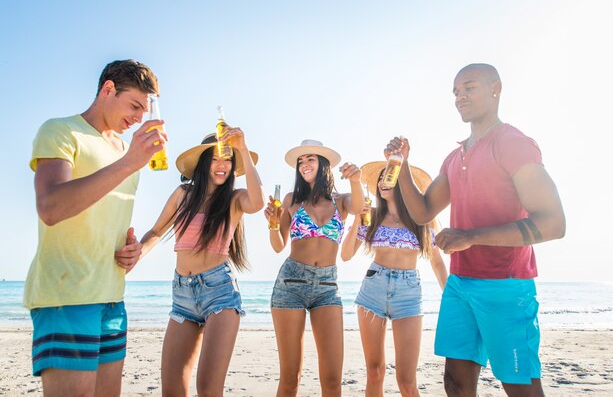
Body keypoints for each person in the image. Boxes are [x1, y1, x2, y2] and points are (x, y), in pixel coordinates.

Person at [386, 63, 566, 397]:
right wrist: (403, 165)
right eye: (456, 91)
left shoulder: (513, 143)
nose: (460, 97)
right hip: (460, 284)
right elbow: (423, 210)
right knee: (455, 382)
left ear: (495, 88)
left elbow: (553, 223)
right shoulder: (455, 157)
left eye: (469, 87)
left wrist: (470, 237)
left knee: (520, 386)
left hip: (506, 286)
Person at [23, 59, 163, 396]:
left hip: (112, 297)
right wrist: (129, 162)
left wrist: (132, 250)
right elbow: (51, 207)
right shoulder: (60, 130)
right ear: (108, 89)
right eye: (133, 106)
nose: (138, 118)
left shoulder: (126, 151)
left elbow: (103, 216)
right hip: (66, 294)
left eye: (144, 111)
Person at [132, 129, 263, 396]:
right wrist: (137, 254)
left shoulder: (234, 199)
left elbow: (258, 202)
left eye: (227, 159)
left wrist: (244, 149)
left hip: (220, 293)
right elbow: (156, 231)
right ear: (203, 164)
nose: (222, 165)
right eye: (214, 159)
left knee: (208, 388)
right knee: (171, 389)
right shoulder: (183, 194)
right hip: (182, 294)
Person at [263, 139, 364, 397]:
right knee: (290, 378)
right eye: (301, 161)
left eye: (310, 159)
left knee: (332, 380)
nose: (304, 164)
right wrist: (273, 224)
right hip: (291, 285)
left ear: (323, 165)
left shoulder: (341, 201)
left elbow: (358, 207)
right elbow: (277, 246)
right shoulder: (290, 200)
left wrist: (355, 178)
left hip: (328, 287)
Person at [340, 161, 448, 397]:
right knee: (375, 371)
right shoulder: (373, 216)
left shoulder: (422, 220)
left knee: (407, 380)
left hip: (408, 294)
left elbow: (437, 263)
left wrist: (451, 297)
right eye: (381, 177)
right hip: (373, 289)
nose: (383, 181)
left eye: (390, 176)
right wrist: (358, 218)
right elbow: (346, 255)